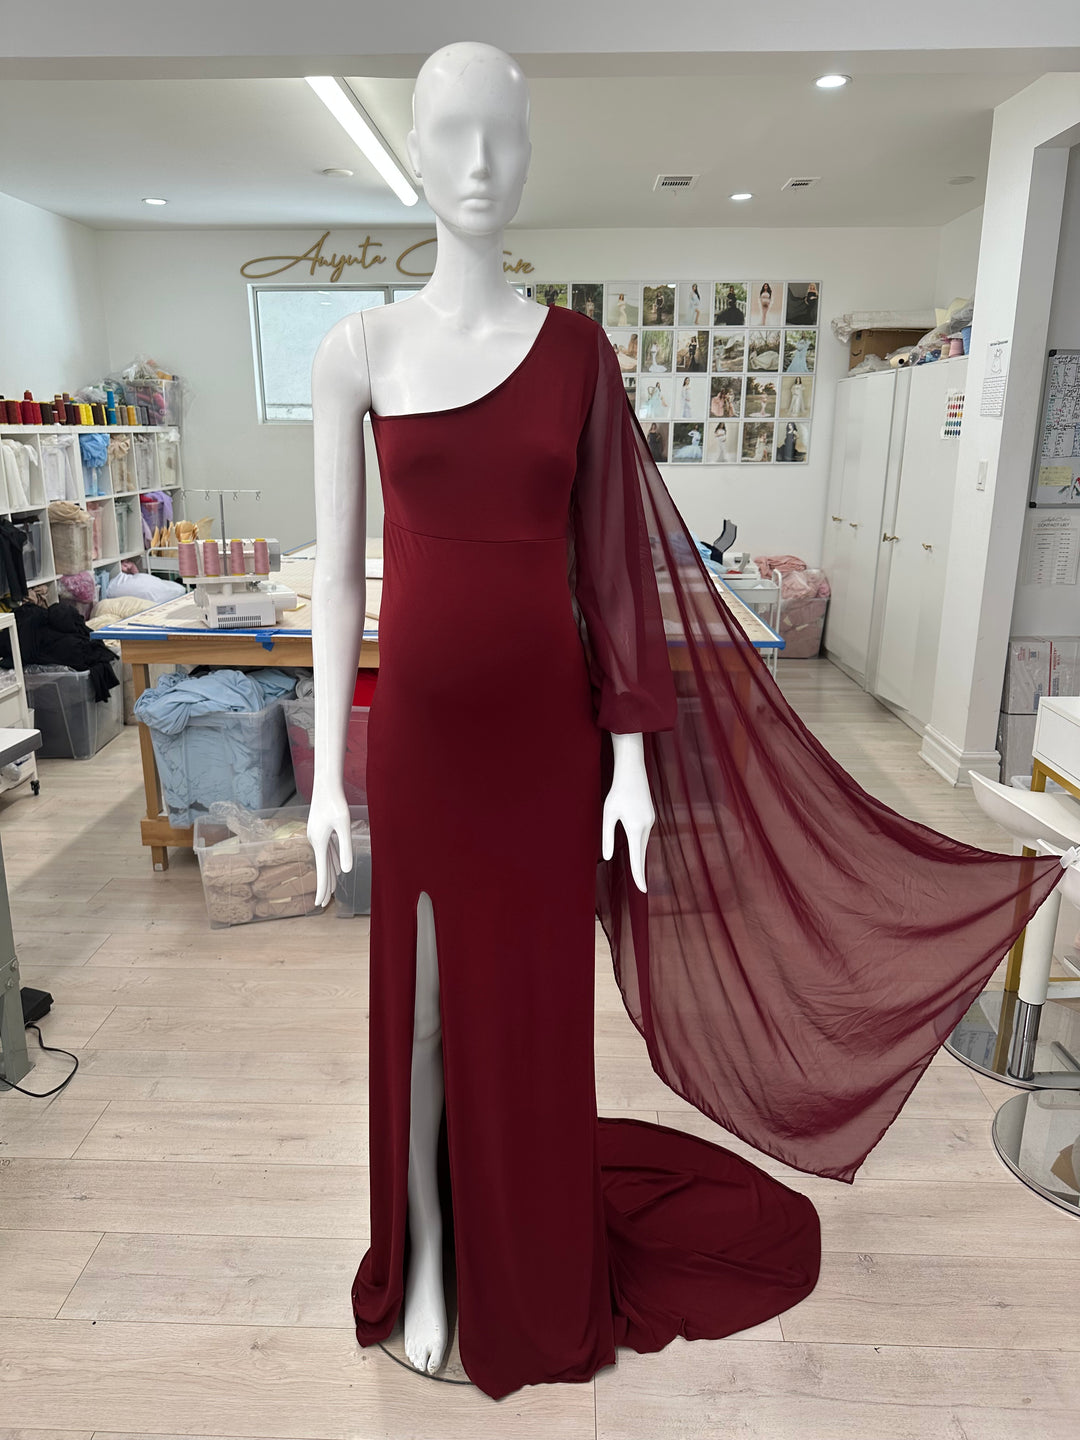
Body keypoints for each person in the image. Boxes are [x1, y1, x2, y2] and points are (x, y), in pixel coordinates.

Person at [309, 39, 1064, 1404]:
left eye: (505, 133)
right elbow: (338, 576)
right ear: (413, 155)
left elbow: (614, 568)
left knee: (532, 1006)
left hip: (546, 749)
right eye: (452, 133)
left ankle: (527, 1266)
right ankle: (423, 1273)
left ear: (531, 155)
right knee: (418, 1010)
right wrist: (324, 780)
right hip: (421, 745)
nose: (480, 162)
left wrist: (633, 759)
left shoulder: (578, 355)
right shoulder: (356, 348)